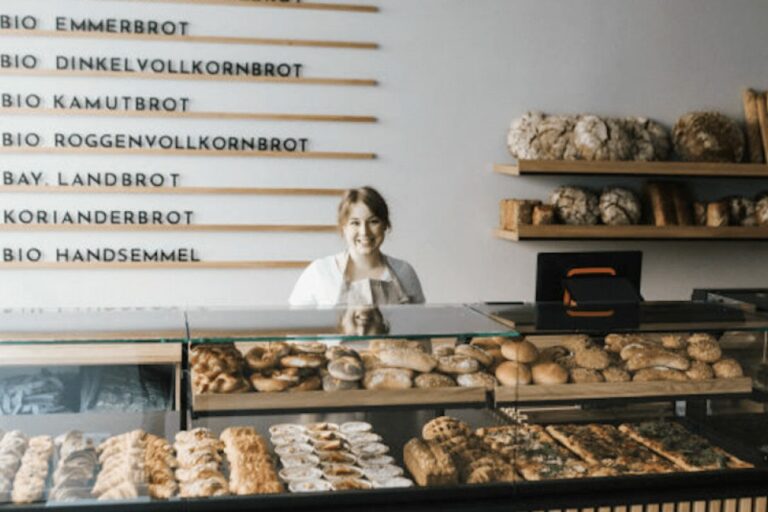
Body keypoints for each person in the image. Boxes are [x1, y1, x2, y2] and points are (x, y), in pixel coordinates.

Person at [289, 186, 425, 307]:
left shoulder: (404, 272)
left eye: (373, 221)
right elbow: (299, 331)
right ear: (344, 228)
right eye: (355, 223)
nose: (364, 232)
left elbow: (420, 330)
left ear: (385, 225)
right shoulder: (320, 272)